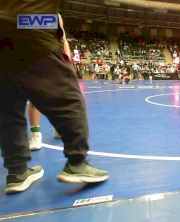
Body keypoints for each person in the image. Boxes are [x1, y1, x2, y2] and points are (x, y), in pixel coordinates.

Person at [0, 2, 108, 194]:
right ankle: (77, 163)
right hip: (29, 23)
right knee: (69, 98)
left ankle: (17, 173)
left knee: (7, 108)